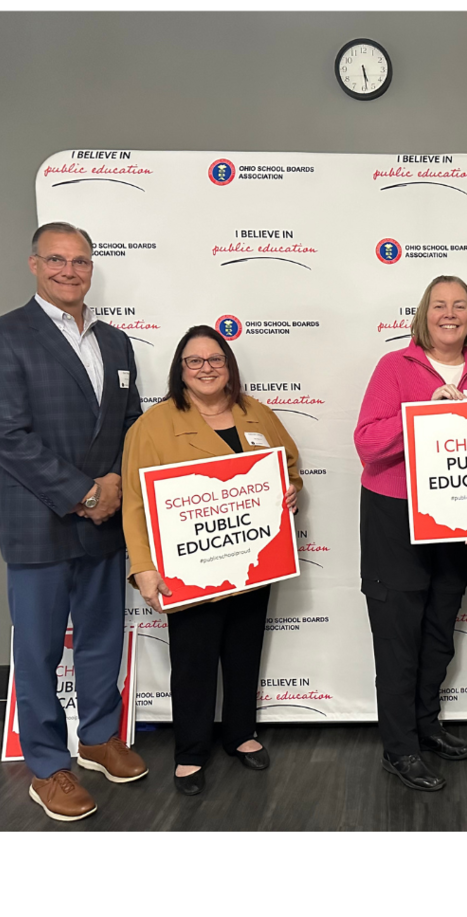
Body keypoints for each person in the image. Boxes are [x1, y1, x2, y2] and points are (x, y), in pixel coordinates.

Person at [0, 221, 147, 822]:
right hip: (41, 522)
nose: (70, 271)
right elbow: (5, 436)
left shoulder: (116, 343)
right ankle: (47, 764)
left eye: (80, 261)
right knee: (39, 651)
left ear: (92, 267)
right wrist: (83, 493)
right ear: (34, 265)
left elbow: (131, 426)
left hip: (105, 523)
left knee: (100, 641)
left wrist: (115, 487)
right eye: (57, 261)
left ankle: (98, 738)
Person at [121, 324, 301, 796]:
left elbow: (291, 467)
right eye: (194, 361)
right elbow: (136, 503)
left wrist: (291, 492)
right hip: (190, 570)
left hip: (252, 561)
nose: (206, 368)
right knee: (194, 658)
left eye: (215, 360)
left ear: (229, 367)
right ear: (180, 370)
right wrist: (142, 567)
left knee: (244, 652)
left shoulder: (256, 414)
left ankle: (241, 733)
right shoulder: (153, 425)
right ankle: (191, 752)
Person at [354, 275, 467, 791]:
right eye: (439, 305)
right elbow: (369, 446)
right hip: (395, 516)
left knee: (438, 631)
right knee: (398, 636)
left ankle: (424, 725)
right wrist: (420, 418)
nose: (449, 313)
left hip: (454, 521)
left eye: (460, 305)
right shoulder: (395, 367)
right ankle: (399, 748)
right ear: (424, 313)